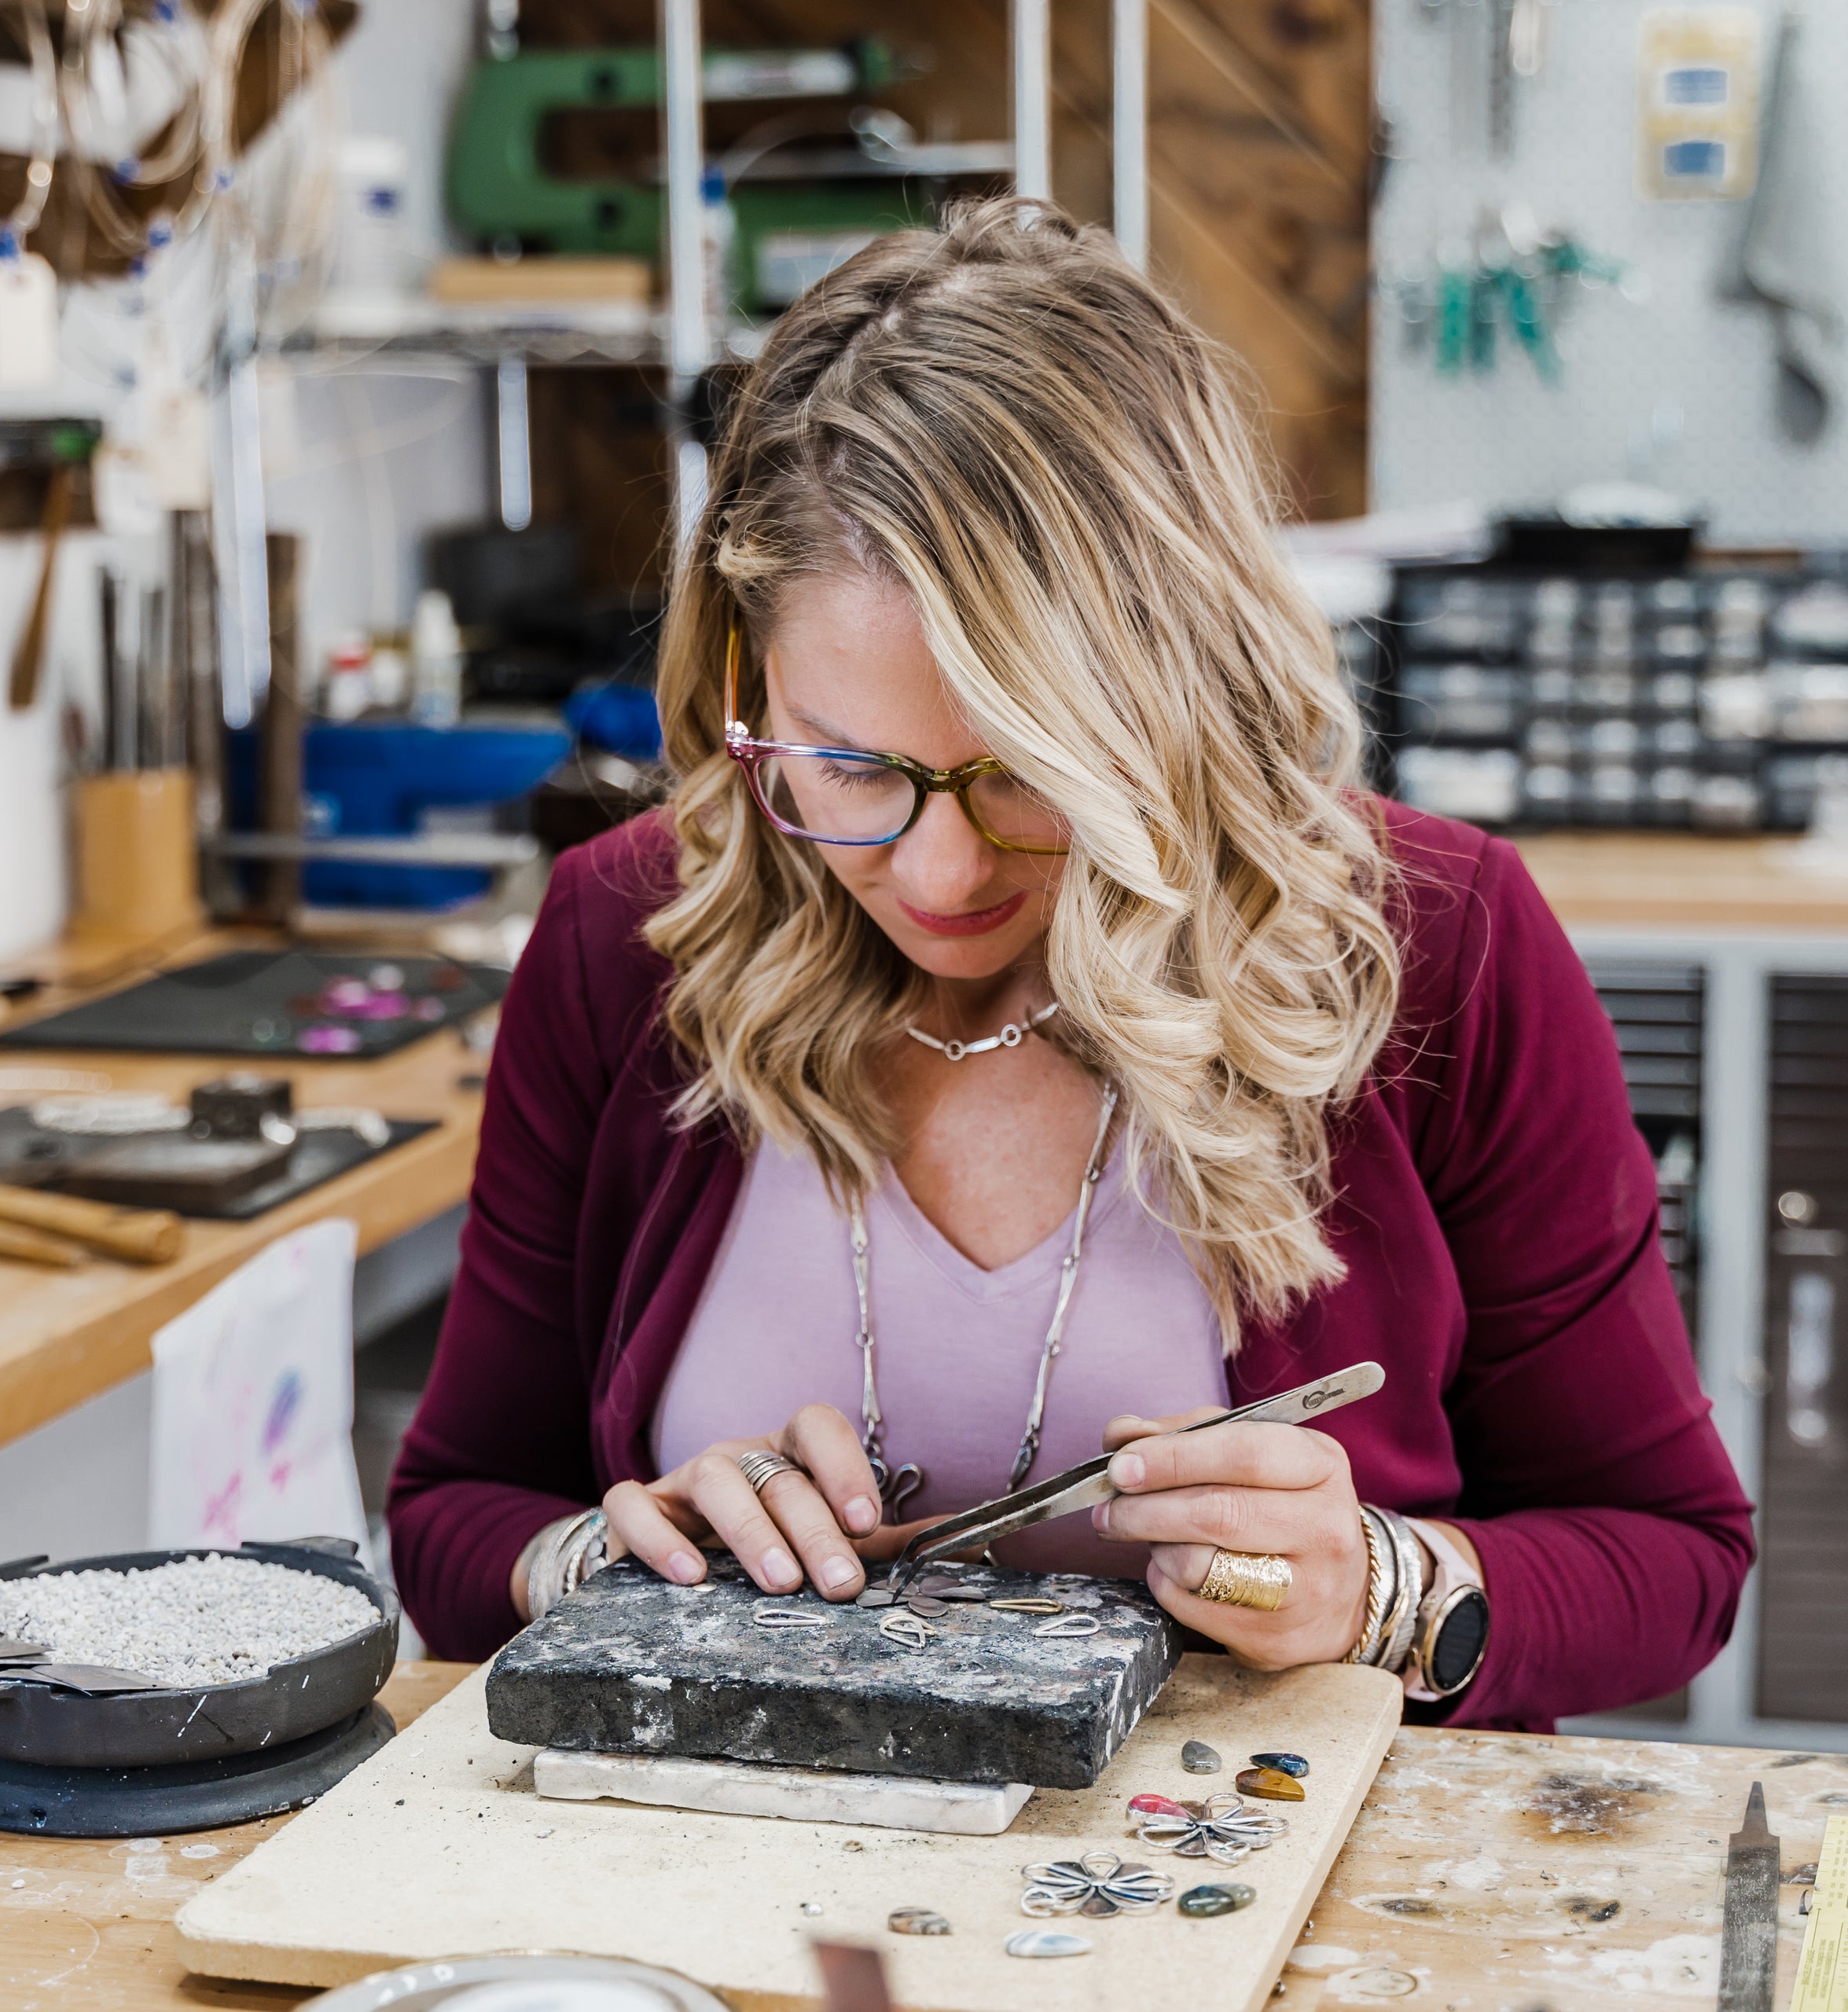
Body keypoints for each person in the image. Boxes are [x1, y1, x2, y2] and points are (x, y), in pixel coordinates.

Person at [388, 198, 1750, 1727]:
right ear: (740, 682)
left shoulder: (1434, 942)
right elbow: (453, 1520)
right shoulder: (624, 941)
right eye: (847, 768)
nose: (941, 871)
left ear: (1187, 684)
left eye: (1028, 766)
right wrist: (611, 1554)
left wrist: (1385, 1585)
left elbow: (1674, 1557)